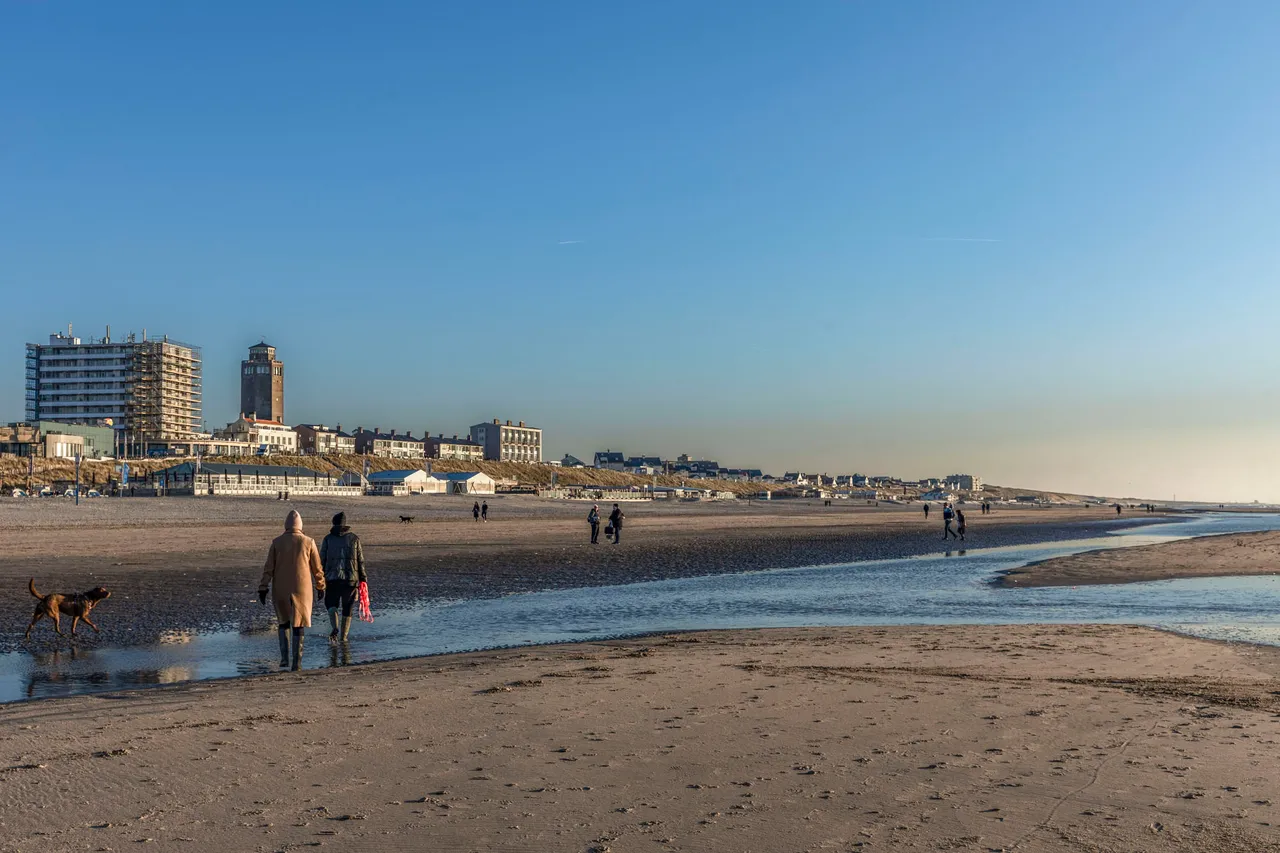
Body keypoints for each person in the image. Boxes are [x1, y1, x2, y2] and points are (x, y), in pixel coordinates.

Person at [258, 510, 325, 671]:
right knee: (299, 623)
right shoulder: (308, 542)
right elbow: (317, 568)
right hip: (303, 588)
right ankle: (297, 662)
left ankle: (284, 658)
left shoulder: (277, 542)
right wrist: (320, 585)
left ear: (286, 525)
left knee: (283, 622)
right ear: (300, 525)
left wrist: (263, 587)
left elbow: (269, 568)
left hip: (280, 587)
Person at [320, 511, 367, 645]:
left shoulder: (328, 539)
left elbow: (321, 561)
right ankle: (344, 637)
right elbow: (360, 560)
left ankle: (335, 627)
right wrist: (363, 578)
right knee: (348, 607)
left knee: (331, 604)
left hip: (332, 579)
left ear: (334, 523)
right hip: (351, 580)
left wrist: (320, 579)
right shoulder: (355, 539)